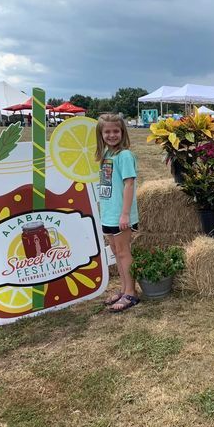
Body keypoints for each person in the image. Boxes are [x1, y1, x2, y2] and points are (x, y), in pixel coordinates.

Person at [95, 114, 140, 312]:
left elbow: (129, 184)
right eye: (107, 131)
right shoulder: (106, 155)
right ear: (101, 134)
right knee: (116, 253)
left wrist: (125, 214)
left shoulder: (124, 156)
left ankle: (131, 293)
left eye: (116, 131)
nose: (112, 135)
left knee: (123, 252)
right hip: (108, 212)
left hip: (120, 214)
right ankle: (123, 289)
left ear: (122, 132)